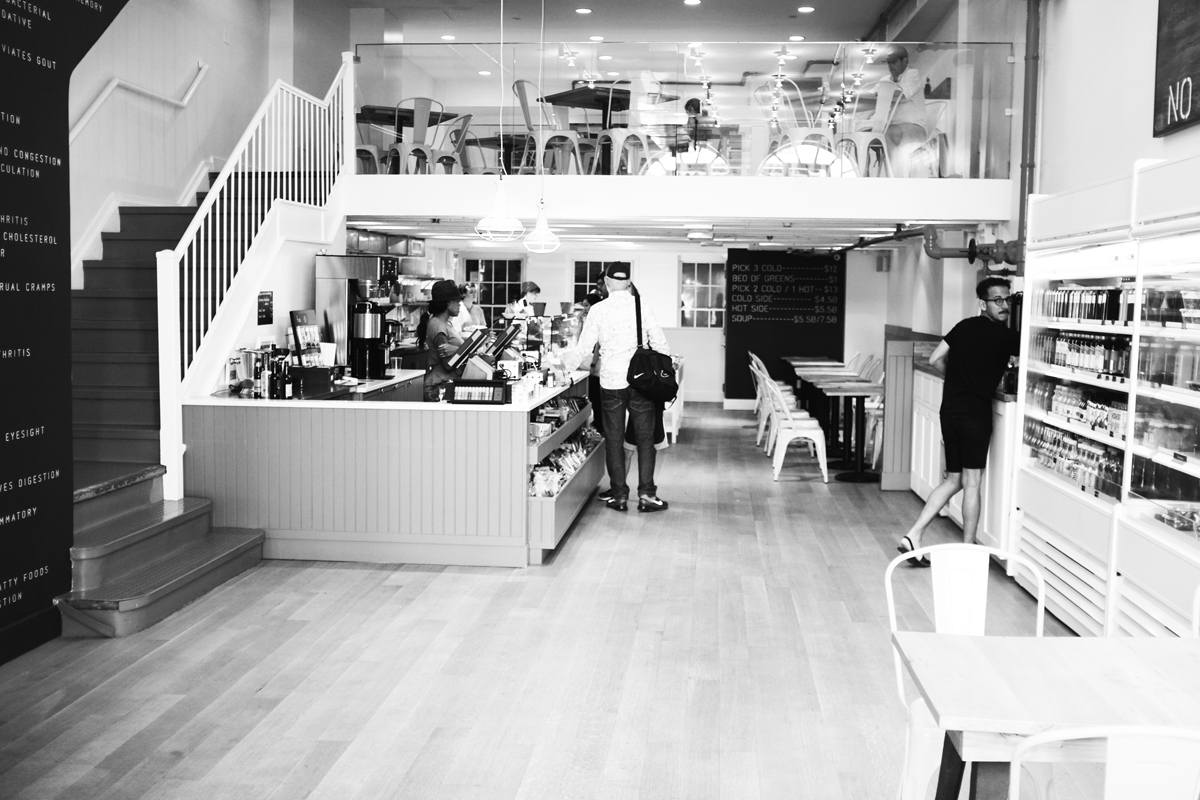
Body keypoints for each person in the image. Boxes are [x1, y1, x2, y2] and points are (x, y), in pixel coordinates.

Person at [898, 277, 1020, 560]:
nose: (1004, 305)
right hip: (975, 415)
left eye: (1007, 299)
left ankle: (913, 535)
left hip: (950, 410)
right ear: (983, 304)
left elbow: (935, 359)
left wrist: (956, 379)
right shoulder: (1007, 337)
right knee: (972, 482)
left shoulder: (963, 326)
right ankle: (968, 550)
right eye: (997, 300)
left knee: (954, 480)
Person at [562, 263, 669, 513]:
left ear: (608, 283)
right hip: (640, 382)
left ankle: (619, 496)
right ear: (628, 283)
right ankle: (647, 495)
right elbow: (660, 343)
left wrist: (565, 370)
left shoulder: (598, 309)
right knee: (645, 440)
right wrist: (664, 371)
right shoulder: (641, 305)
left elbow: (584, 347)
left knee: (613, 439)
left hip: (611, 382)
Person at [881, 45, 931, 175]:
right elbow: (872, 95)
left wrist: (880, 94)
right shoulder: (885, 80)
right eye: (888, 62)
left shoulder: (912, 74)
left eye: (894, 62)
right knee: (876, 134)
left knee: (885, 134)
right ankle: (894, 176)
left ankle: (895, 177)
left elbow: (901, 95)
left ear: (905, 61)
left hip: (915, 126)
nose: (891, 65)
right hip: (895, 127)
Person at [417, 280, 467, 402]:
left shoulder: (445, 324)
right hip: (438, 387)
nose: (460, 305)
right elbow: (448, 365)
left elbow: (455, 352)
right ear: (448, 303)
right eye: (457, 301)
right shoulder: (438, 326)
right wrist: (466, 350)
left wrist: (461, 350)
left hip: (446, 384)